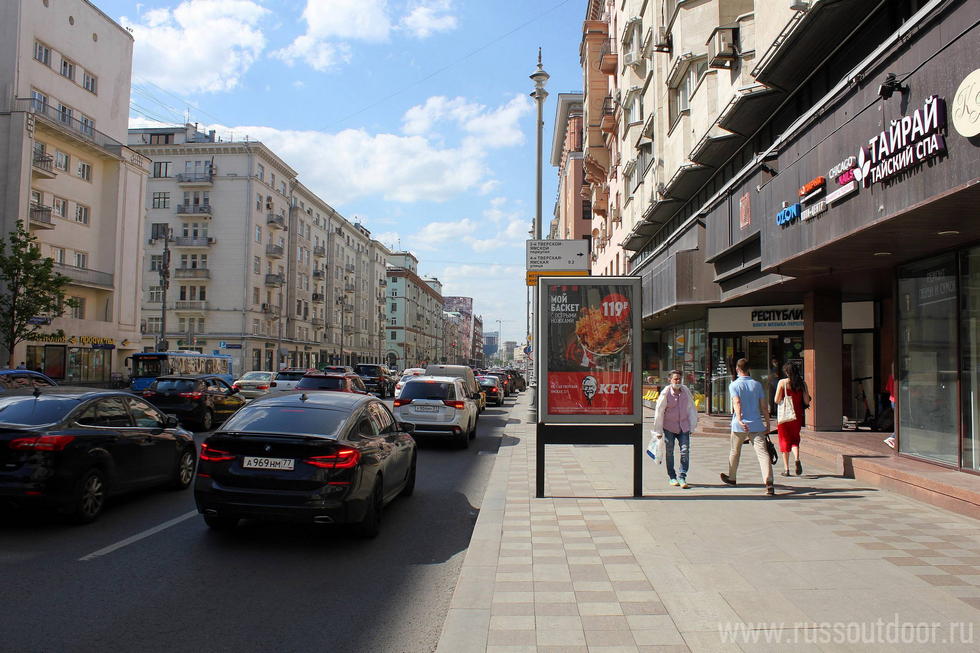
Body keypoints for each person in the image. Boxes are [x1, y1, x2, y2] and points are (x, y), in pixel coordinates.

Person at [721, 358, 774, 496]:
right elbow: (764, 406)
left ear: (738, 369)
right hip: (756, 424)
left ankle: (732, 477)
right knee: (763, 453)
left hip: (739, 425)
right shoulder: (757, 385)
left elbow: (736, 402)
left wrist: (739, 418)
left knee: (735, 451)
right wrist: (767, 423)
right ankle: (769, 482)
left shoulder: (734, 385)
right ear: (748, 369)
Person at [650, 370, 699, 488]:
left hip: (684, 427)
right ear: (670, 380)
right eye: (675, 379)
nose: (677, 381)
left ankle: (682, 476)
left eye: (679, 379)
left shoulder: (685, 392)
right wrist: (658, 430)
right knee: (670, 452)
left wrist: (692, 425)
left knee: (685, 451)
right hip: (669, 427)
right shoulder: (665, 393)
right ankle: (672, 477)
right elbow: (659, 412)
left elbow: (691, 408)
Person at [775, 362, 811, 476]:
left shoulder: (782, 382)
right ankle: (797, 459)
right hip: (797, 415)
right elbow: (806, 401)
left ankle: (786, 469)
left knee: (784, 440)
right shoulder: (802, 384)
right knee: (795, 439)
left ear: (786, 372)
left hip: (785, 416)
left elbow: (776, 399)